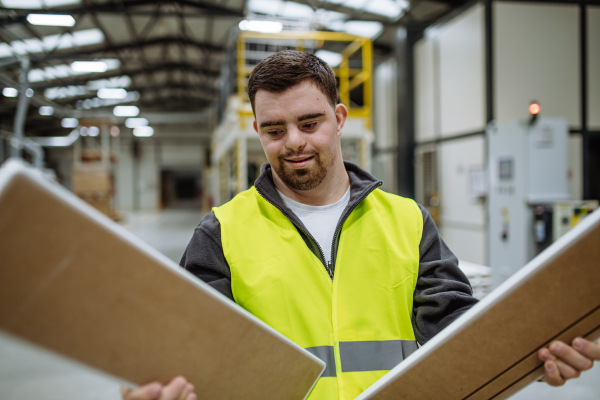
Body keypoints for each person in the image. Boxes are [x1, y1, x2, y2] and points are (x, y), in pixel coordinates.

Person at [122, 50, 600, 400]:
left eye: (309, 124)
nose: (293, 142)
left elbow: (459, 336)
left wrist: (538, 358)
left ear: (339, 118)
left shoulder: (406, 220)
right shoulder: (222, 231)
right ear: (258, 133)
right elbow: (190, 353)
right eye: (274, 130)